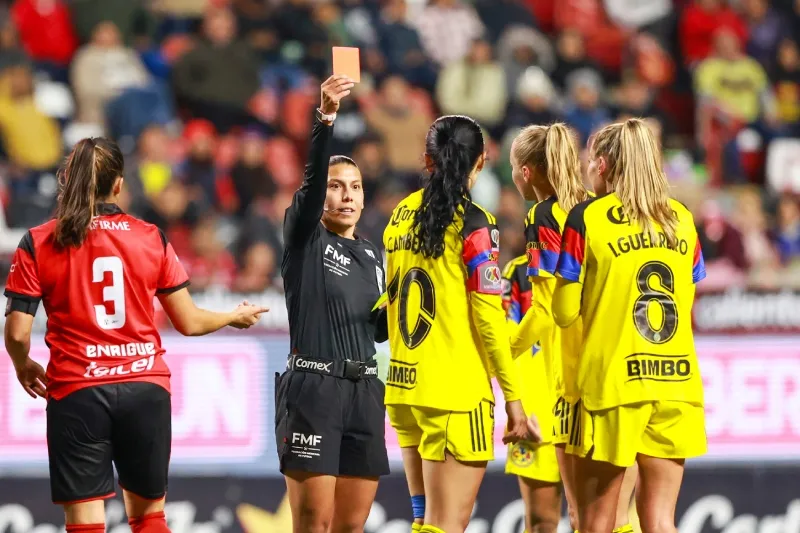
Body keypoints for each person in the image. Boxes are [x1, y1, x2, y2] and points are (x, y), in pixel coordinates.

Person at [3, 137, 267, 533]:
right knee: (149, 519)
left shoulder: (39, 241)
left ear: (68, 180)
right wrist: (232, 315)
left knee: (84, 524)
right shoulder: (150, 237)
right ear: (119, 185)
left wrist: (22, 365)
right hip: (144, 388)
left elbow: (19, 331)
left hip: (77, 391)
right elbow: (189, 322)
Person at [383, 114, 537, 533]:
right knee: (447, 526)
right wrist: (514, 397)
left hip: (404, 389)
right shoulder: (475, 224)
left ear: (426, 160)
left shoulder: (399, 215)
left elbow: (390, 297)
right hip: (454, 393)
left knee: (426, 522)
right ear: (481, 161)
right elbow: (488, 318)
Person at [553, 118, 707, 533]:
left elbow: (564, 312)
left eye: (589, 162)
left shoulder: (587, 217)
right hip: (676, 381)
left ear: (602, 165)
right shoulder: (683, 218)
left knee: (598, 521)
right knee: (659, 519)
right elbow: (689, 298)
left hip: (613, 384)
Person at [508, 123, 638, 533]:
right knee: (617, 517)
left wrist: (499, 350)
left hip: (568, 384)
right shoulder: (596, 208)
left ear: (525, 171)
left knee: (579, 518)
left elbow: (546, 310)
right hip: (619, 373)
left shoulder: (544, 215)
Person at [277, 75, 390, 533]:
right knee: (314, 525)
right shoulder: (304, 237)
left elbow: (377, 331)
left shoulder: (372, 253)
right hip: (314, 391)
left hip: (365, 393)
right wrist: (325, 119)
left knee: (350, 527)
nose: (346, 195)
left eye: (356, 187)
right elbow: (307, 187)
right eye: (336, 185)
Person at [501, 255, 561, 533]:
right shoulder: (518, 272)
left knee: (595, 521)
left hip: (591, 410)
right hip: (539, 416)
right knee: (541, 521)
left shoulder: (599, 254)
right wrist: (520, 407)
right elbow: (503, 344)